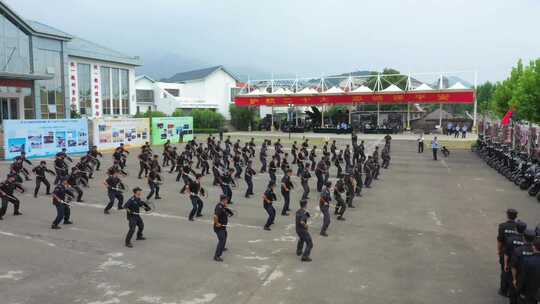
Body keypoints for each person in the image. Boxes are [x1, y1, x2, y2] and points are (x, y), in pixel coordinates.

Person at [510, 229, 536, 304]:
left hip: (520, 277)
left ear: (524, 238)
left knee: (517, 295)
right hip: (533, 279)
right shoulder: (536, 249)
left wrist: (514, 279)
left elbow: (513, 266)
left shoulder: (518, 250)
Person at [497, 208, 519, 297]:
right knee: (515, 272)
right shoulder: (518, 227)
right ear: (516, 217)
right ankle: (512, 290)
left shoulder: (502, 226)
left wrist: (498, 251)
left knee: (504, 271)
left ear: (507, 215)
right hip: (516, 254)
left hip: (505, 252)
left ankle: (503, 290)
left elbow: (500, 240)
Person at [517, 239, 540, 304]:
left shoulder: (527, 261)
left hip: (529, 291)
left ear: (533, 247)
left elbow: (523, 278)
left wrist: (519, 289)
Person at [213, 194, 233, 262]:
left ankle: (222, 247)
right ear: (223, 200)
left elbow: (225, 211)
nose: (227, 200)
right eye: (226, 199)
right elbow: (215, 216)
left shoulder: (223, 206)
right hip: (219, 227)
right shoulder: (219, 207)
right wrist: (217, 223)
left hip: (223, 227)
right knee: (222, 240)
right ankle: (217, 256)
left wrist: (229, 212)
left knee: (225, 236)